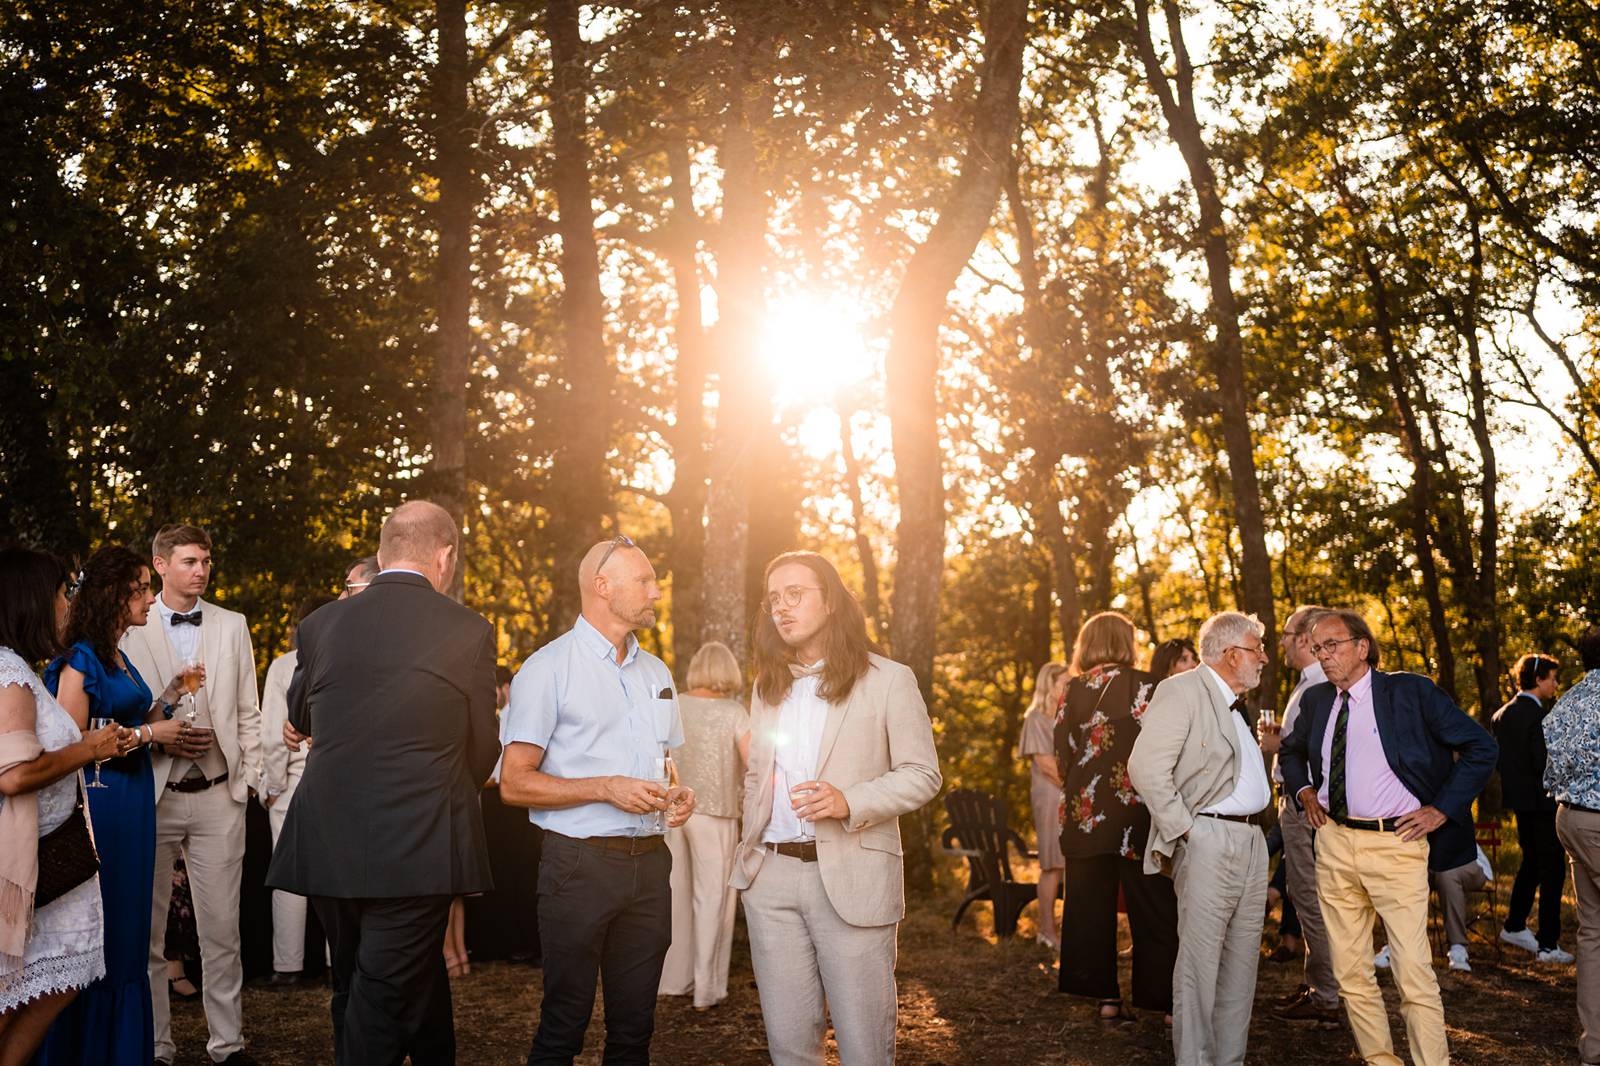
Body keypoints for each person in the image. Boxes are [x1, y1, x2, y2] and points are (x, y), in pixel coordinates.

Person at [266, 501, 499, 1066]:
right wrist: (437, 785)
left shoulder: (320, 624)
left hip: (326, 836)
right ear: (444, 557)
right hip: (418, 844)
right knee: (380, 990)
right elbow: (483, 747)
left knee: (365, 978)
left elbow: (302, 716)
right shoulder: (468, 630)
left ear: (381, 551)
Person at [731, 550, 941, 1066]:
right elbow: (759, 773)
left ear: (831, 601)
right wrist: (749, 849)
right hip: (771, 880)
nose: (781, 608)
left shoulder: (890, 679)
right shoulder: (767, 685)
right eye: (773, 599)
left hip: (852, 878)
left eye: (795, 594)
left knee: (865, 1047)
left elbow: (923, 774)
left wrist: (851, 800)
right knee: (788, 1047)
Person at [499, 535, 697, 1065]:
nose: (656, 591)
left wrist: (676, 791)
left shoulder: (656, 672)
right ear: (602, 586)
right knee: (564, 1025)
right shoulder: (547, 668)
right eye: (644, 580)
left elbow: (665, 762)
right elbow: (514, 782)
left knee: (635, 1031)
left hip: (651, 866)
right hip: (577, 866)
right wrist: (605, 787)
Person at [1279, 609, 1497, 1066]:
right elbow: (1292, 749)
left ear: (1362, 647)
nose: (1324, 656)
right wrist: (1302, 790)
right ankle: (1381, 1061)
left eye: (1332, 645)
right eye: (1317, 648)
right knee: (1350, 972)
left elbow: (1481, 746)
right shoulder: (1318, 700)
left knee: (1413, 971)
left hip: (1396, 844)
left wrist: (1440, 809)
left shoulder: (1409, 692)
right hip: (1334, 843)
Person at [35, 546, 195, 1066]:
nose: (151, 598)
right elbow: (70, 738)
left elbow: (128, 716)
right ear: (112, 594)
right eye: (142, 588)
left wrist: (167, 698)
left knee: (129, 931)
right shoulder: (80, 657)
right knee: (98, 935)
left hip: (132, 805)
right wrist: (152, 732)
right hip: (99, 807)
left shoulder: (118, 655)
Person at [119, 524, 263, 1066]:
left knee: (222, 929)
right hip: (152, 794)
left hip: (218, 795)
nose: (200, 570)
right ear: (160, 566)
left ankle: (228, 1046)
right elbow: (124, 709)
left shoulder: (232, 624)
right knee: (149, 933)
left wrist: (247, 781)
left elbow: (248, 711)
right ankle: (157, 1047)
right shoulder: (131, 626)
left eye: (206, 560)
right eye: (188, 561)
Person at [1128, 610, 1273, 1066]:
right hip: (1209, 839)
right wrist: (1188, 830)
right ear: (1232, 655)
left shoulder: (1234, 703)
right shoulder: (1181, 689)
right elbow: (1146, 768)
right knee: (1199, 968)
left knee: (1241, 968)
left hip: (1252, 842)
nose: (1264, 658)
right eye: (1257, 649)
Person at [0, 548, 124, 1065]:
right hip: (22, 866)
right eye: (62, 592)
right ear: (32, 600)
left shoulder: (21, 667)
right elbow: (14, 776)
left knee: (51, 984)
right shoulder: (8, 672)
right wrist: (89, 749)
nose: (67, 604)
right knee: (8, 996)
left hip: (54, 859)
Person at [1054, 614, 1177, 1024]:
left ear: (1085, 645)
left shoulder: (1069, 691)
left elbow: (1062, 754)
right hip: (1135, 810)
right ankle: (1165, 1004)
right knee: (1154, 905)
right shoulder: (1147, 685)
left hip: (1083, 813)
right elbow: (1164, 747)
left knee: (1090, 906)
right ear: (1127, 642)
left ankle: (1106, 998)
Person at [1260, 605, 1340, 1025]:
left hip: (1305, 806)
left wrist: (1279, 757)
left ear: (1307, 639)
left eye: (1289, 634)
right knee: (1306, 894)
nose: (1283, 643)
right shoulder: (1308, 685)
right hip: (1295, 802)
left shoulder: (1316, 688)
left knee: (1310, 896)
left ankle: (1327, 996)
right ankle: (1318, 983)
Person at [659, 641, 749, 1011]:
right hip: (717, 813)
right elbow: (753, 761)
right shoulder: (734, 711)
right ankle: (706, 989)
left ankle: (672, 979)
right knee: (712, 898)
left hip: (673, 812)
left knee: (674, 895)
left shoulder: (674, 705)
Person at [257, 594, 335, 987]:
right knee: (336, 872)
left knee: (289, 875)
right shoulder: (347, 661)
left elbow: (272, 735)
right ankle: (337, 959)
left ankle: (288, 966)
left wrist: (271, 785)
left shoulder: (284, 667)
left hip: (290, 784)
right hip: (337, 781)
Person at [1545, 625, 1600, 1066]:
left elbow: (1552, 777)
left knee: (1593, 933)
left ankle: (1594, 1047)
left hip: (1571, 819)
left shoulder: (1566, 703)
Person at [1494, 652, 1571, 962]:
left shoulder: (1501, 715)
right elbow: (1543, 763)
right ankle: (1548, 944)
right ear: (1538, 680)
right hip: (1543, 803)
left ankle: (1514, 924)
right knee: (1552, 869)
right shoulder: (1539, 717)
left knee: (1531, 863)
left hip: (1520, 804)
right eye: (1552, 678)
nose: (1555, 684)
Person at [468, 665, 542, 967]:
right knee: (507, 873)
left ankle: (522, 942)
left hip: (509, 805)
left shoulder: (513, 716)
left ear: (507, 688)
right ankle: (510, 941)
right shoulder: (503, 717)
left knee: (516, 872)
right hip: (499, 802)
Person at [1015, 660, 1066, 951]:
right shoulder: (1036, 718)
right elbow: (1046, 765)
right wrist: (1079, 786)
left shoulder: (1067, 714)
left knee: (1073, 865)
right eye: (1064, 683)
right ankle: (1047, 931)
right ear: (1050, 684)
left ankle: (1070, 930)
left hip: (1070, 796)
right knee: (1052, 865)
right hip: (1050, 797)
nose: (1069, 687)